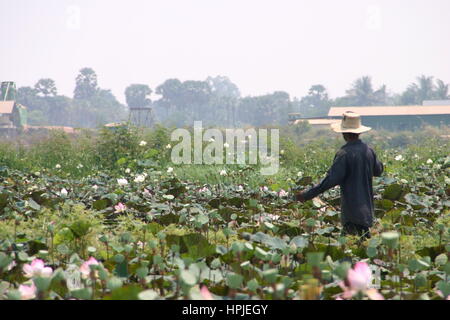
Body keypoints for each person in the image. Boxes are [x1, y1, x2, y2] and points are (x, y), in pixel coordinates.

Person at [295, 111, 384, 238]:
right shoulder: (369, 151)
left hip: (352, 212)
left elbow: (330, 180)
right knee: (362, 246)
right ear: (359, 132)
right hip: (366, 212)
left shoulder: (344, 154)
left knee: (350, 248)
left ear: (344, 133)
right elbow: (379, 170)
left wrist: (306, 195)